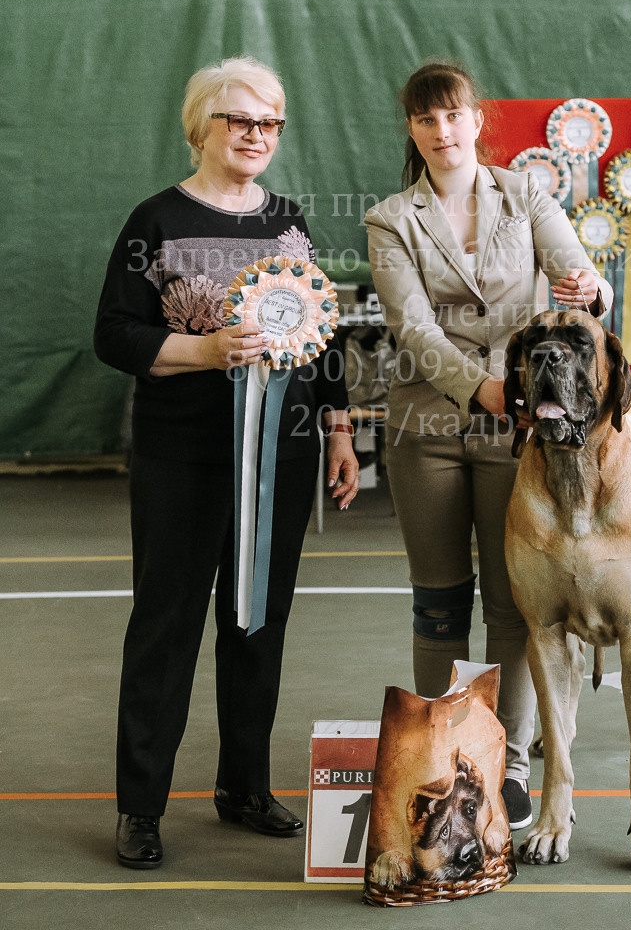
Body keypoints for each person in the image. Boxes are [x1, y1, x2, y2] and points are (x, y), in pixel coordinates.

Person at [94, 56, 358, 869]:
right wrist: (204, 349)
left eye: (270, 122)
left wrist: (341, 428)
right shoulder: (156, 220)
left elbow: (323, 333)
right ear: (201, 125)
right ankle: (140, 807)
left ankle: (243, 786)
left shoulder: (289, 220)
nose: (256, 135)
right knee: (166, 627)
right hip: (183, 456)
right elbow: (115, 334)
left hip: (282, 456)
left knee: (257, 622)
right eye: (240, 120)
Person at [364, 61, 612, 831]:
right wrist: (486, 390)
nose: (442, 131)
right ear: (413, 129)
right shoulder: (388, 219)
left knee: (514, 602)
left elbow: (579, 276)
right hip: (430, 427)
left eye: (453, 116)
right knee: (440, 601)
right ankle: (441, 749)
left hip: (519, 431)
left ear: (477, 121)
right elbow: (413, 329)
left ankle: (505, 757)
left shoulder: (527, 194)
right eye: (425, 119)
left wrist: (591, 289)